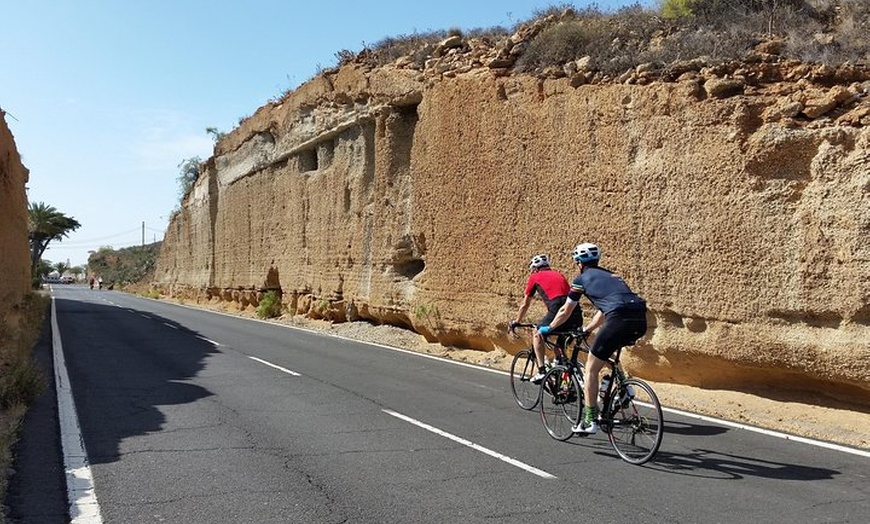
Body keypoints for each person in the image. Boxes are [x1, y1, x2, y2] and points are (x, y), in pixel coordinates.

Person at [538, 242, 647, 434]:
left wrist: (549, 328)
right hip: (639, 319)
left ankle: (589, 421)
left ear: (579, 262)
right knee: (605, 353)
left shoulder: (581, 279)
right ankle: (624, 388)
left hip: (618, 319)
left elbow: (565, 310)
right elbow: (605, 309)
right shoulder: (613, 275)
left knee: (590, 368)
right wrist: (588, 329)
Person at [509, 254, 583, 384]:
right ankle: (564, 377)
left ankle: (542, 370)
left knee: (537, 333)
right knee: (559, 348)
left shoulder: (535, 277)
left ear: (535, 268)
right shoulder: (558, 274)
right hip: (575, 311)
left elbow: (525, 304)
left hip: (557, 308)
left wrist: (517, 321)